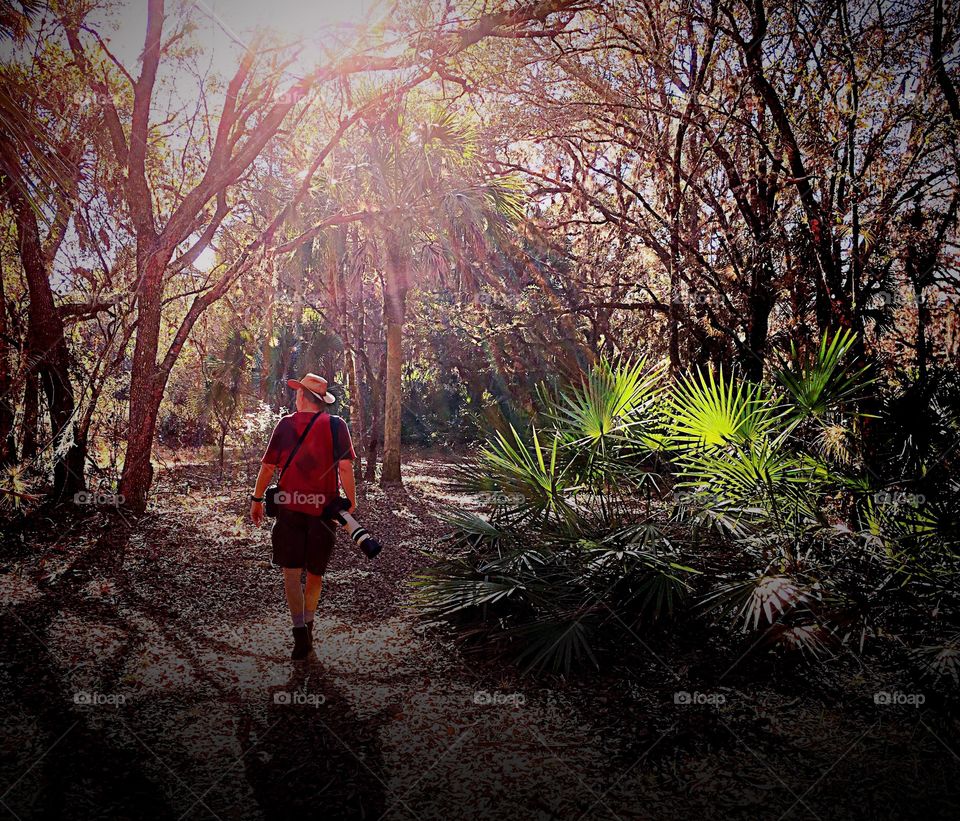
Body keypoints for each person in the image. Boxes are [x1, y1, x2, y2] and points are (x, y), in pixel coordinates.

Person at [250, 373, 356, 660]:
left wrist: (257, 499)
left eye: (297, 393)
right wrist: (352, 501)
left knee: (291, 572)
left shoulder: (285, 425)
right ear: (321, 402)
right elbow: (345, 468)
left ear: (301, 397)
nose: (294, 397)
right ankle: (308, 625)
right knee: (315, 573)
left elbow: (269, 467)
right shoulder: (337, 426)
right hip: (324, 511)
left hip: (289, 509)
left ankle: (299, 632)